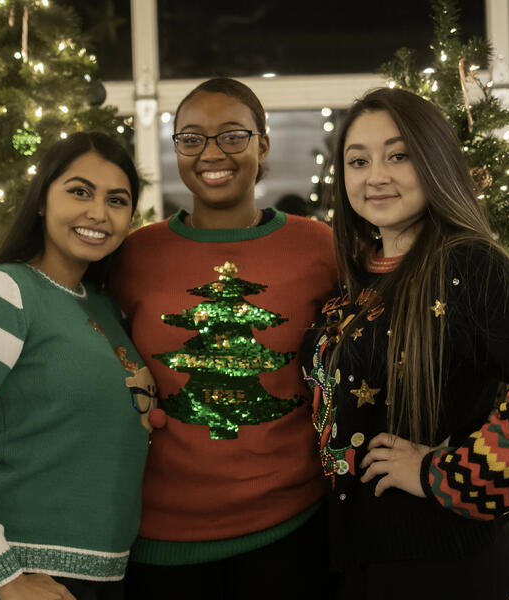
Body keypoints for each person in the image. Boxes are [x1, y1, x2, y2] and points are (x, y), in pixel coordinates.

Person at [111, 77, 337, 599]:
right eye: (191, 138)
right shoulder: (133, 254)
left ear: (262, 143)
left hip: (291, 529)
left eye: (232, 135)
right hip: (160, 537)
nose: (212, 152)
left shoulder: (320, 247)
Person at [0, 132, 156, 600]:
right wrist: (4, 575)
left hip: (100, 575)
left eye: (117, 200)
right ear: (42, 200)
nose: (98, 213)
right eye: (79, 191)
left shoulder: (105, 308)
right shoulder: (0, 291)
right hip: (13, 575)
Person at [300, 87, 509, 600]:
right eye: (358, 160)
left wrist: (441, 473)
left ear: (435, 160)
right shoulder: (357, 274)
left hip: (440, 559)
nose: (376, 175)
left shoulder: (471, 266)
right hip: (353, 554)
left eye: (399, 155)